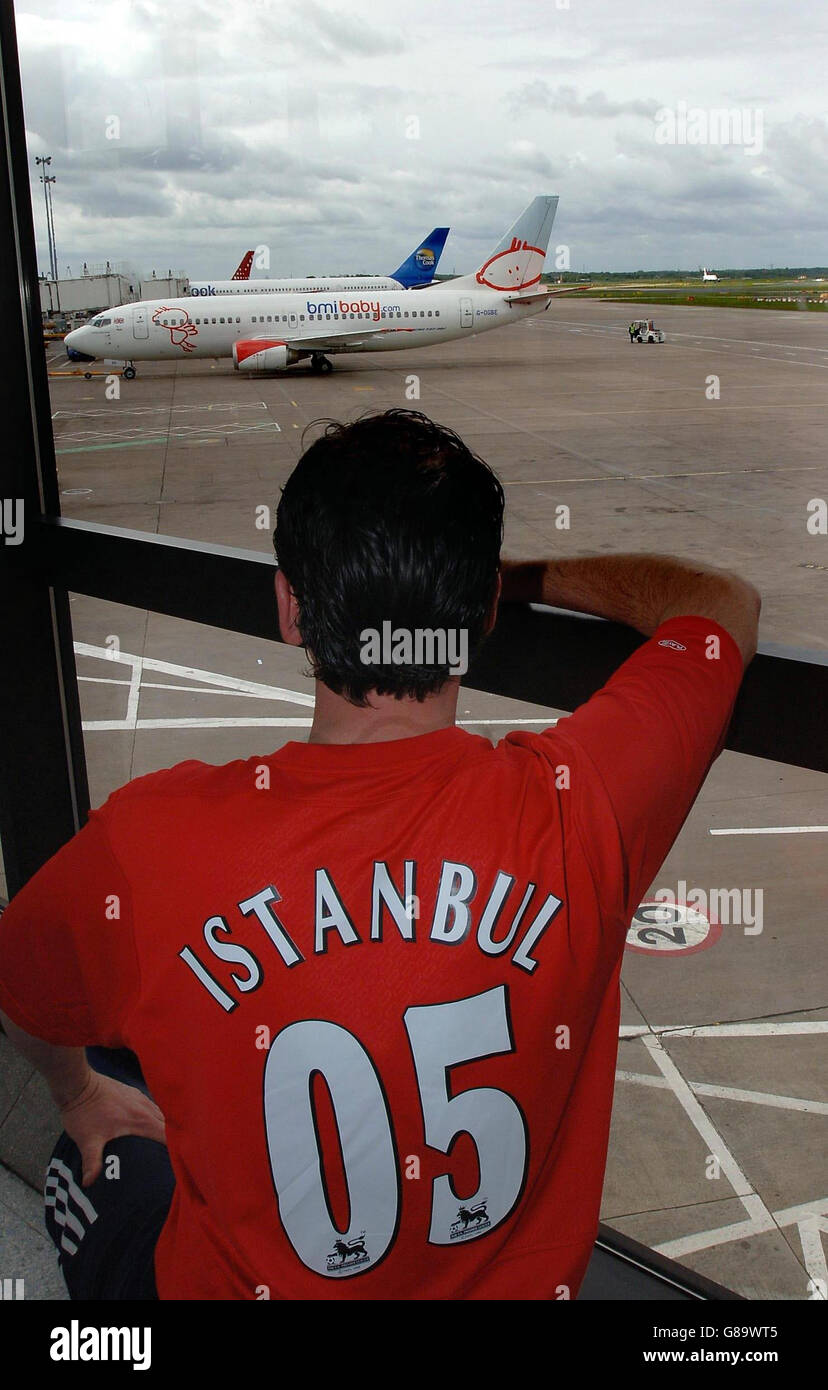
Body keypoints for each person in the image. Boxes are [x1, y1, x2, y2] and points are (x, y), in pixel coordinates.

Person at [0, 409, 760, 1301]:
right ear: (476, 619)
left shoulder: (150, 840)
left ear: (290, 609)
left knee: (99, 1127)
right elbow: (723, 606)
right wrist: (527, 578)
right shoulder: (584, 804)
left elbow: (26, 995)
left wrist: (81, 1094)